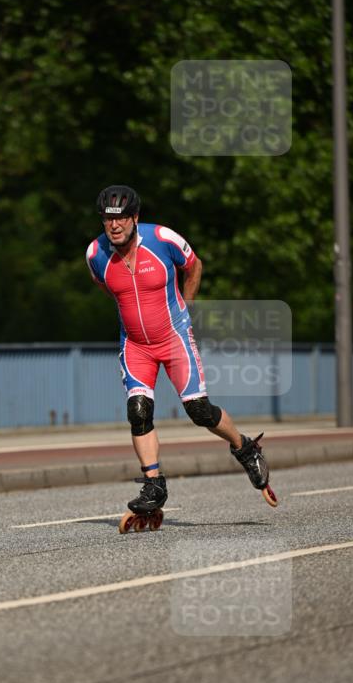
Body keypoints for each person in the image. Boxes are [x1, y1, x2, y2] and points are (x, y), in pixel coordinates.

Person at [86, 184, 274, 515]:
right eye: (106, 220)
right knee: (138, 411)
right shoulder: (95, 255)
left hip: (174, 339)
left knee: (198, 411)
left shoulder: (162, 238)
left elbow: (195, 265)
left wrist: (186, 308)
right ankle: (154, 484)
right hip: (135, 345)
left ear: (135, 217)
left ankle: (244, 447)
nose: (113, 226)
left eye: (121, 219)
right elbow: (110, 290)